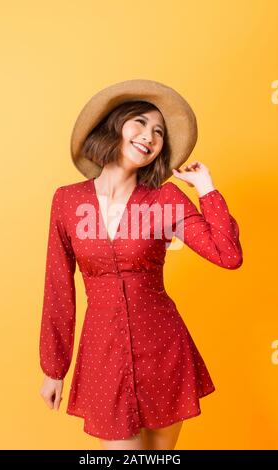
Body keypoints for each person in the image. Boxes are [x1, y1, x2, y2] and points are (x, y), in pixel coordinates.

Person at [39, 79, 243, 450]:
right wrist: (54, 369)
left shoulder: (166, 198)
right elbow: (58, 287)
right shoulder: (67, 201)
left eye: (159, 132)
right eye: (140, 122)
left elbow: (227, 255)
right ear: (115, 126)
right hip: (103, 352)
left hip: (163, 349)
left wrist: (206, 188)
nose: (149, 136)